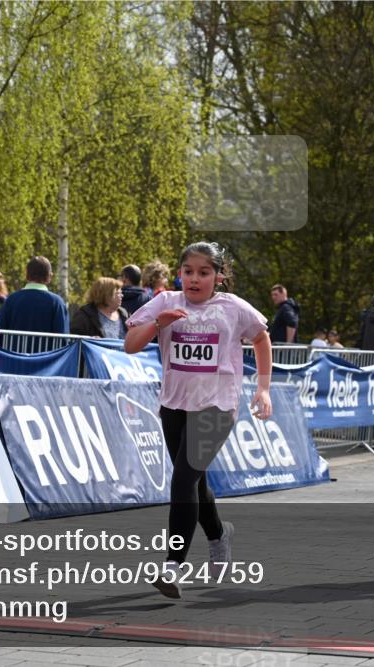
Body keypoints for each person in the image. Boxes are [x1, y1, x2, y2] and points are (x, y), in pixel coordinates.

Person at [124, 241, 272, 598]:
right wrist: (158, 323)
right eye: (188, 271)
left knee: (182, 480)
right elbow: (130, 344)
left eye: (204, 273)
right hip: (175, 404)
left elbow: (261, 338)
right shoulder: (166, 302)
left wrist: (263, 388)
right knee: (194, 482)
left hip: (217, 406)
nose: (194, 279)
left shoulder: (233, 308)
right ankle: (220, 535)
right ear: (179, 274)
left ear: (219, 277)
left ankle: (172, 565)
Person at [0, 256, 69, 334]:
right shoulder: (57, 303)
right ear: (50, 276)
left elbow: (1, 333)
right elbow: (63, 338)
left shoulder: (11, 300)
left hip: (13, 346)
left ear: (26, 275)